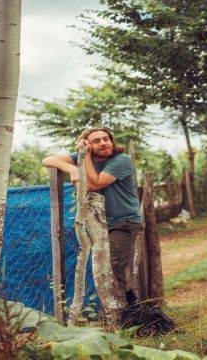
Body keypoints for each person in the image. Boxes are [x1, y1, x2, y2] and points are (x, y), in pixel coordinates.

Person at [42, 128, 142, 321]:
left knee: (112, 267)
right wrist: (72, 168)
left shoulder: (121, 160)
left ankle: (125, 316)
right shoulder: (89, 158)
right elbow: (48, 159)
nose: (103, 143)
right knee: (112, 267)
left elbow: (95, 183)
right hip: (101, 223)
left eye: (106, 139)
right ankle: (130, 311)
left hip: (123, 222)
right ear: (87, 144)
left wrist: (84, 157)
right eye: (96, 141)